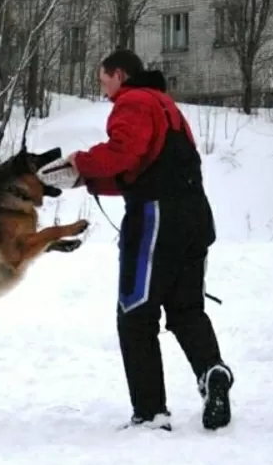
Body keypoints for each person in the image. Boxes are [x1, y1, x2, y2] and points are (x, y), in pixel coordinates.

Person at [66, 49, 234, 432]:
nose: (102, 87)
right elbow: (140, 169)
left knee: (136, 314)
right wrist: (88, 180)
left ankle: (150, 412)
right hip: (195, 216)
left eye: (103, 78)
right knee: (186, 310)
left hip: (156, 220)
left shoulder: (133, 102)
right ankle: (212, 372)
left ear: (120, 74)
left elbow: (123, 153)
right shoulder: (165, 105)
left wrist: (81, 162)